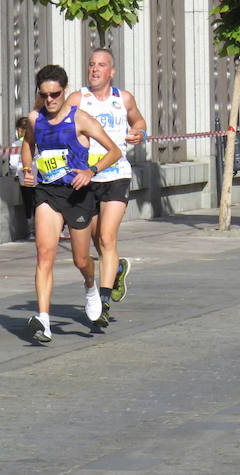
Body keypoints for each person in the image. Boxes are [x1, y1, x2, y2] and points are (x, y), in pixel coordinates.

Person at [21, 64, 122, 343]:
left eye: (54, 94)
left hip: (78, 196)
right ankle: (43, 319)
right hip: (48, 193)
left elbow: (115, 150)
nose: (50, 100)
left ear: (64, 91)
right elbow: (28, 144)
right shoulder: (35, 118)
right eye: (44, 95)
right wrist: (28, 170)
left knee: (81, 260)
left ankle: (91, 287)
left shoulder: (81, 119)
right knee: (44, 255)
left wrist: (91, 171)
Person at [67, 49, 147, 312]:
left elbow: (138, 120)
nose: (95, 69)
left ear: (111, 71)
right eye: (91, 65)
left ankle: (102, 300)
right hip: (86, 177)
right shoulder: (78, 98)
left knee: (107, 237)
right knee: (95, 238)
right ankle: (117, 268)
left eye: (101, 65)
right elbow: (60, 124)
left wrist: (139, 133)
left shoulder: (122, 98)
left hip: (116, 174)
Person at [9, 116, 36, 240]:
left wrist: (14, 173)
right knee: (39, 204)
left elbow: (13, 164)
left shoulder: (16, 144)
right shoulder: (37, 141)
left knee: (28, 204)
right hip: (39, 175)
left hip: (23, 177)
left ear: (19, 129)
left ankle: (30, 231)